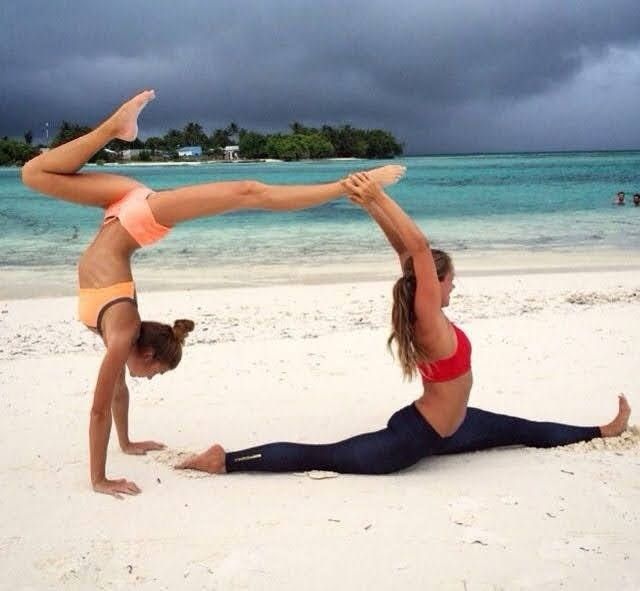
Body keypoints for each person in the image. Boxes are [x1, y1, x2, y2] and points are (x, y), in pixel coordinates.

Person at [21, 91, 406, 497]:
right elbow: (108, 400)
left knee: (33, 174)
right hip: (134, 216)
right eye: (156, 373)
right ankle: (348, 186)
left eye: (154, 376)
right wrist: (105, 469)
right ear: (148, 353)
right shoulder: (122, 332)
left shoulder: (120, 335)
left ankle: (114, 128)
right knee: (247, 192)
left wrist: (118, 455)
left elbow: (108, 401)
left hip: (123, 210)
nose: (148, 379)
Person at [176, 173, 631, 476]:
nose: (454, 288)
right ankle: (225, 460)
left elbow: (405, 254)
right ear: (438, 282)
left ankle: (601, 431)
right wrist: (374, 192)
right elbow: (416, 246)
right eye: (451, 281)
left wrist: (368, 206)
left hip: (454, 427)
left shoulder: (422, 305)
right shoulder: (428, 315)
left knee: (524, 429)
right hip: (415, 438)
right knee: (324, 456)